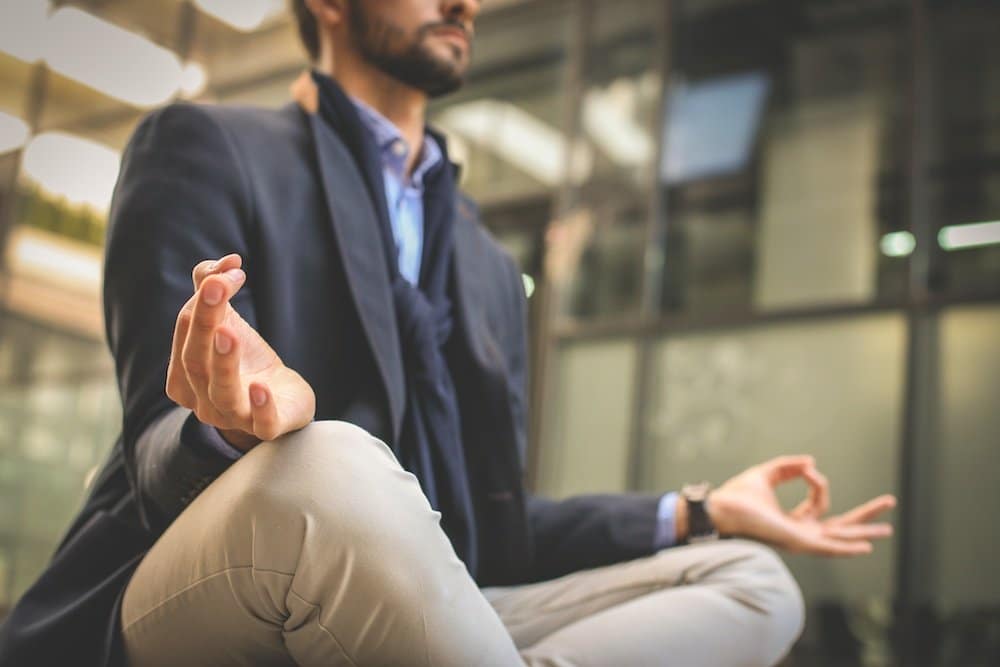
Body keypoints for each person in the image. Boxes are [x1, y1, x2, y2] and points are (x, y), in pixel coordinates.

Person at [0, 1, 897, 665]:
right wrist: (232, 425)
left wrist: (698, 510)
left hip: (418, 613)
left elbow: (487, 535)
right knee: (331, 461)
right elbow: (152, 448)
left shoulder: (484, 258)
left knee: (749, 578)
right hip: (194, 586)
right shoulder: (201, 143)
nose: (465, 1)